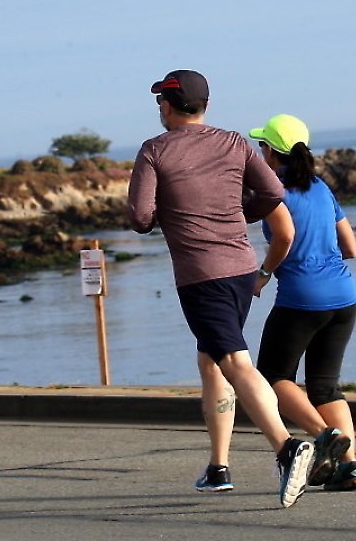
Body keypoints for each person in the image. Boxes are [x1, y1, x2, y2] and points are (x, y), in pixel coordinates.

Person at [127, 69, 313, 508]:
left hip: (202, 276)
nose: (159, 108)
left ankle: (287, 447)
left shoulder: (154, 150)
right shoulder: (234, 142)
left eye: (160, 102)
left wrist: (168, 213)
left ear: (168, 105)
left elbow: (139, 217)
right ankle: (218, 467)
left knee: (233, 360)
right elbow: (273, 191)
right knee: (210, 359)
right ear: (205, 105)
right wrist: (240, 213)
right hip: (242, 270)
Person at [250, 114, 356, 492]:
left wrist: (263, 273)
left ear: (271, 151)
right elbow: (350, 246)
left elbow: (283, 237)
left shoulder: (273, 191)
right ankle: (351, 467)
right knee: (325, 387)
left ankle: (325, 435)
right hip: (344, 296)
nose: (259, 152)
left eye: (262, 146)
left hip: (302, 298)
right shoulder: (321, 187)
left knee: (271, 377)